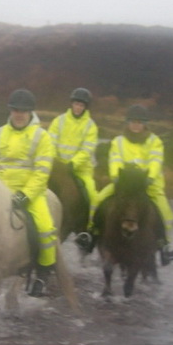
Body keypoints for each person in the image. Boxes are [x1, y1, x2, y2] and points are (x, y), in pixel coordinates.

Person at [0, 89, 58, 297]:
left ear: (31, 112)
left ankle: (43, 272)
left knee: (46, 228)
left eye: (24, 110)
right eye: (15, 110)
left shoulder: (42, 137)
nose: (19, 114)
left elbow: (42, 172)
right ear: (10, 110)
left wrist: (26, 194)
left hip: (30, 192)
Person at [93, 105, 173, 265]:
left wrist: (150, 177)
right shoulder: (118, 141)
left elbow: (155, 160)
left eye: (139, 122)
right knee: (98, 200)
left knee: (165, 212)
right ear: (128, 123)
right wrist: (115, 176)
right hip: (124, 184)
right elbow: (115, 159)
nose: (136, 125)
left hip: (148, 185)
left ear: (145, 124)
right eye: (133, 122)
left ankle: (164, 246)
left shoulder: (155, 142)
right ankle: (91, 234)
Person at [47, 88, 101, 251]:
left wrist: (73, 164)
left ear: (85, 107)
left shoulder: (91, 126)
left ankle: (87, 230)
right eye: (76, 104)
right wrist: (56, 162)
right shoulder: (59, 121)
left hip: (79, 170)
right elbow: (50, 141)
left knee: (92, 195)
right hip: (57, 167)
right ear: (72, 104)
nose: (78, 107)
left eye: (81, 105)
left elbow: (87, 149)